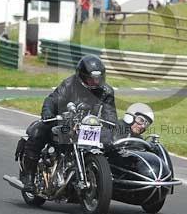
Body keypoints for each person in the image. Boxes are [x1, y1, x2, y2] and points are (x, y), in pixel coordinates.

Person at [17, 55, 117, 191]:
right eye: (91, 79)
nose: (95, 82)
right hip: (64, 121)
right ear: (82, 77)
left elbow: (110, 114)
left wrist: (110, 125)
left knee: (110, 141)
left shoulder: (106, 91)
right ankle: (29, 177)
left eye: (98, 79)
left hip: (88, 125)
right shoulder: (69, 85)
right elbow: (52, 99)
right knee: (38, 131)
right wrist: (48, 112)